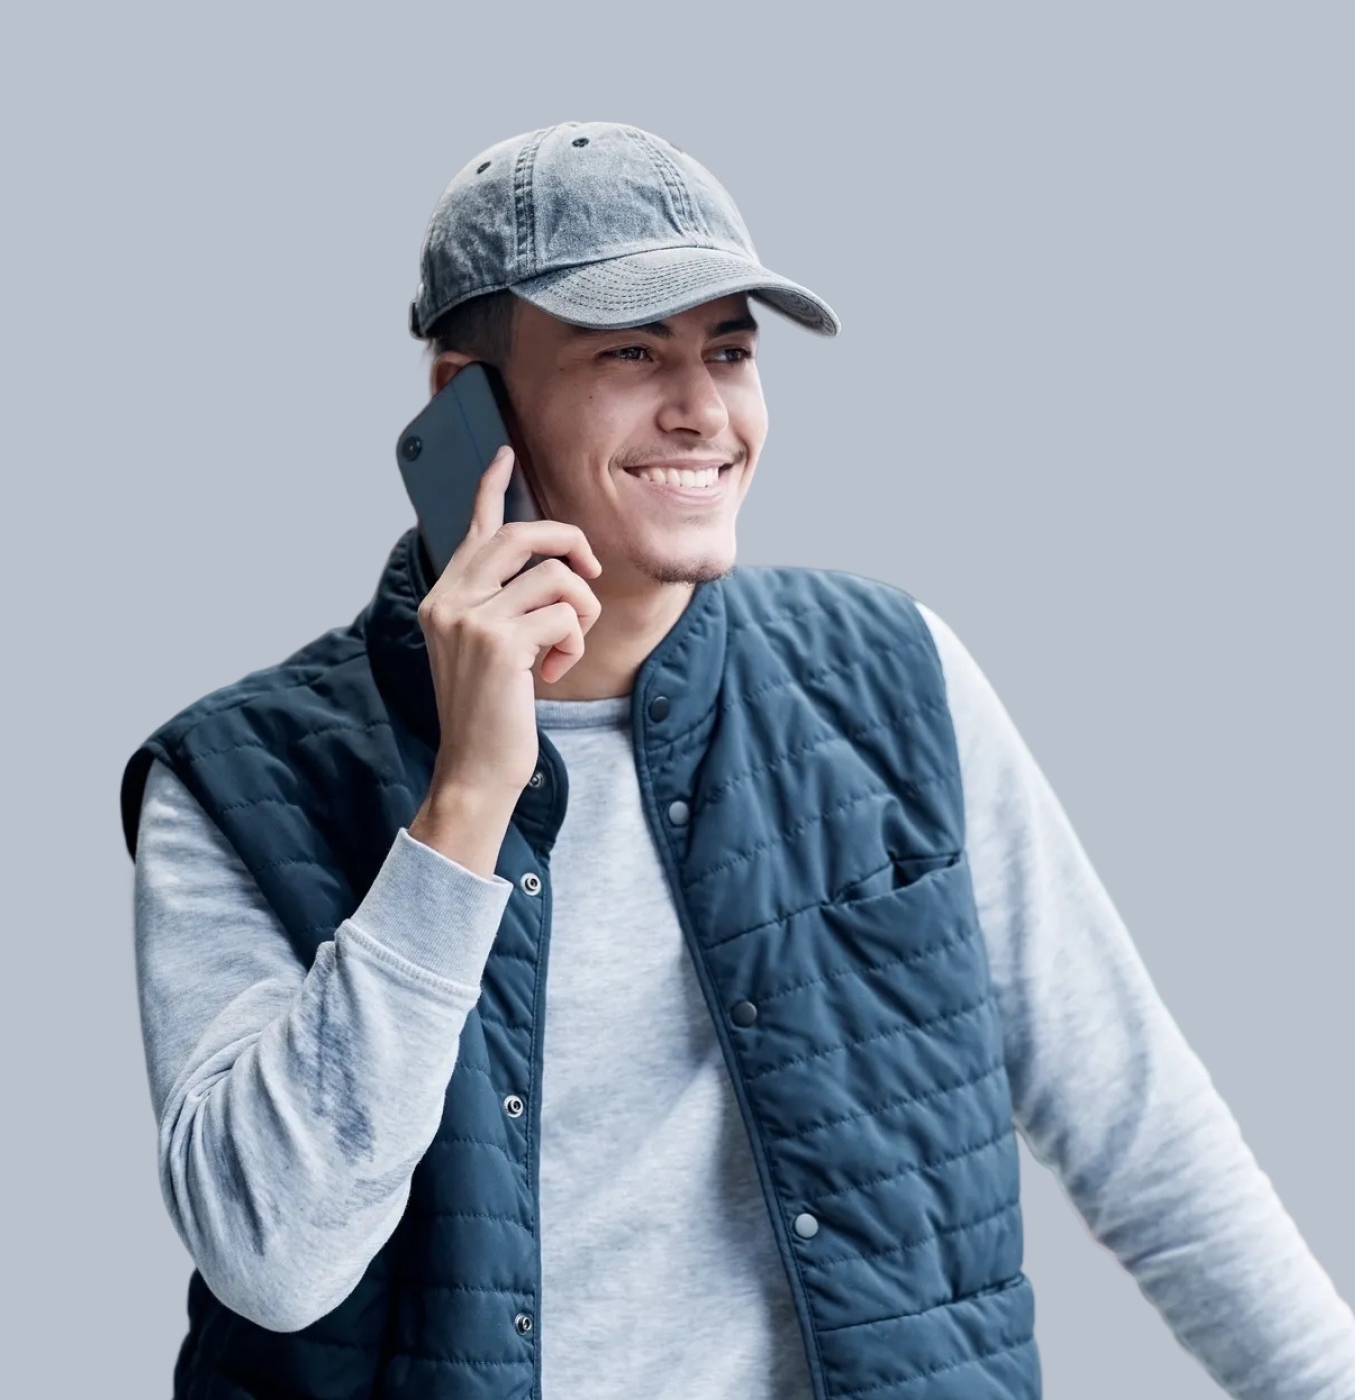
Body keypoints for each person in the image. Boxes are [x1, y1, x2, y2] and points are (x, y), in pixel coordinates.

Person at [121, 120, 1355, 1400]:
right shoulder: (236, 778)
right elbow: (274, 1254)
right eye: (630, 351)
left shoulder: (892, 677)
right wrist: (469, 798)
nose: (702, 408)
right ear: (461, 405)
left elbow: (1140, 1132)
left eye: (729, 350)